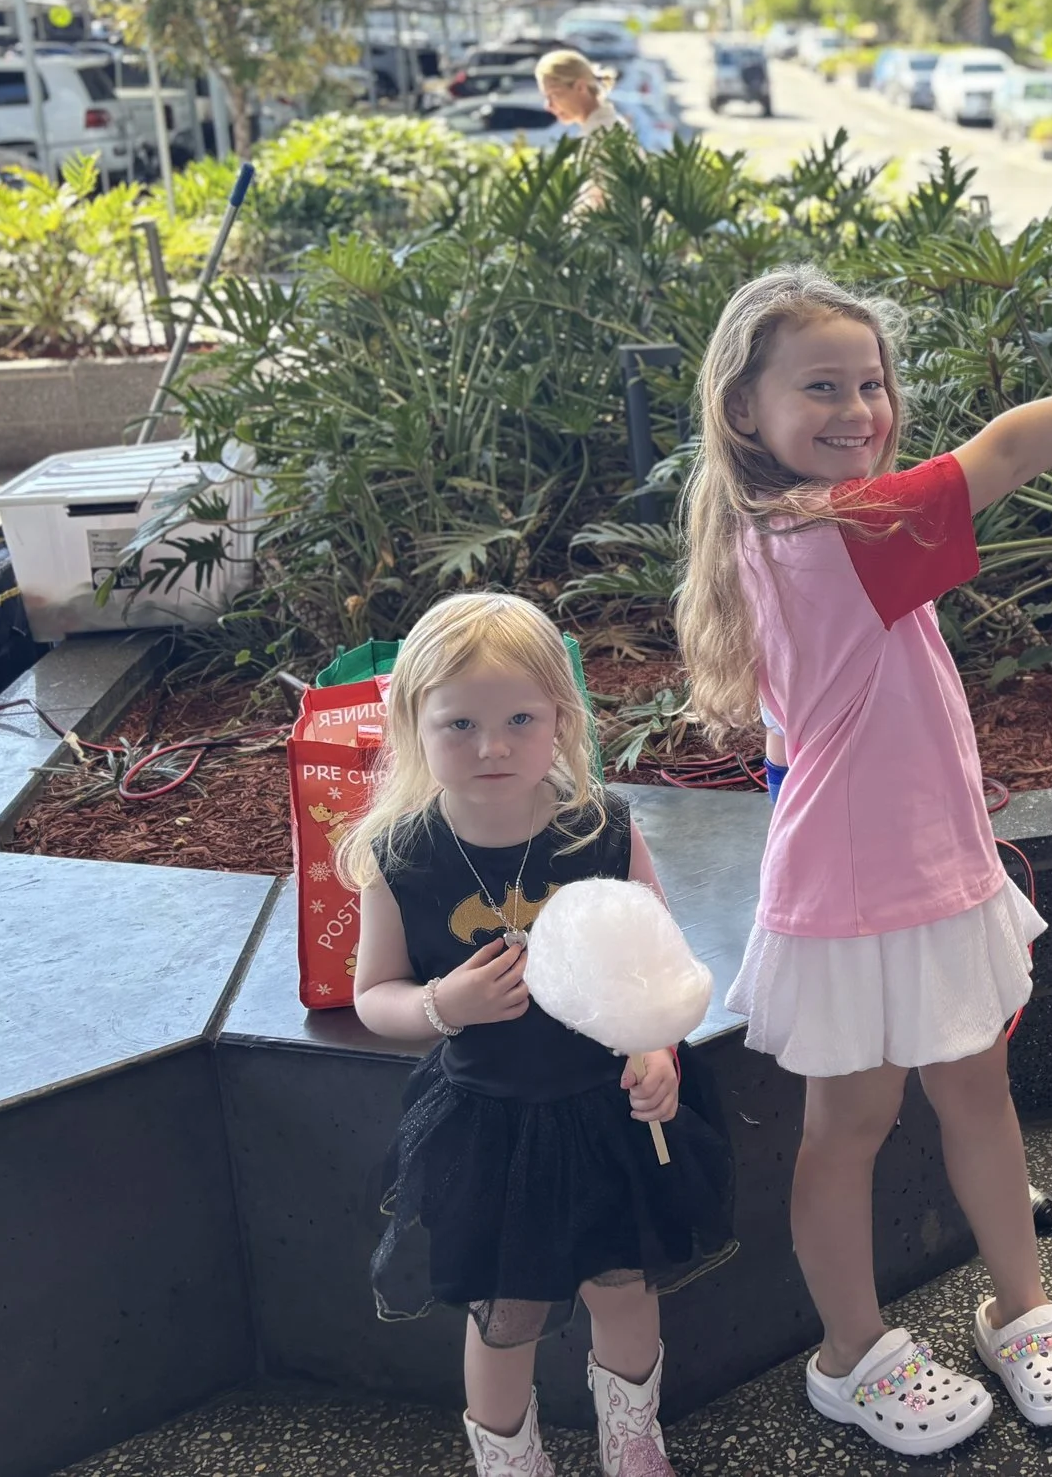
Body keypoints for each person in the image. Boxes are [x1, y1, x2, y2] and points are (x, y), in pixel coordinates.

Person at [675, 265, 1052, 1455]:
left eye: (869, 384)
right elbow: (1011, 447)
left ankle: (1022, 1311)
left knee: (967, 1096)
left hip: (920, 876)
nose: (858, 409)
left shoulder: (783, 529)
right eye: (820, 386)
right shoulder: (847, 532)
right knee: (856, 1125)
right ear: (744, 413)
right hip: (859, 897)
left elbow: (794, 742)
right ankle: (847, 1356)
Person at [346, 591, 735, 1477]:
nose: (492, 745)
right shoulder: (402, 856)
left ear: (562, 718)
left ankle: (632, 1432)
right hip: (489, 1122)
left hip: (606, 1112)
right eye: (460, 722)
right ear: (412, 725)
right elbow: (376, 995)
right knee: (505, 1310)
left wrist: (656, 1049)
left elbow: (659, 964)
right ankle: (508, 1456)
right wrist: (443, 1005)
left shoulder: (600, 834)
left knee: (624, 1286)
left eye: (520, 717)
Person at [535, 48, 631, 139]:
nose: (548, 106)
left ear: (580, 87)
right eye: (546, 97)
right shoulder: (603, 128)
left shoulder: (602, 135)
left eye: (554, 94)